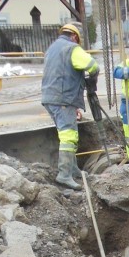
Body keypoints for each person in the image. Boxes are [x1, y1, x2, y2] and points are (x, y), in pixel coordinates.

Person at [41, 22, 100, 190]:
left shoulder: (52, 48)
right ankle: (64, 175)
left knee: (68, 133)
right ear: (74, 36)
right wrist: (92, 81)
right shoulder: (72, 48)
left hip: (50, 97)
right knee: (68, 136)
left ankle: (72, 169)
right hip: (63, 98)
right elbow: (93, 65)